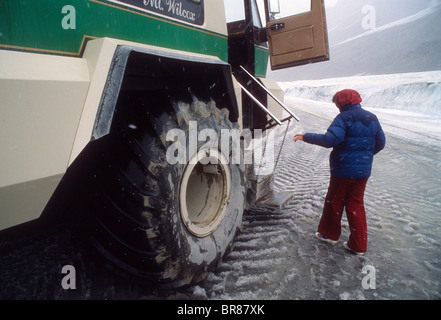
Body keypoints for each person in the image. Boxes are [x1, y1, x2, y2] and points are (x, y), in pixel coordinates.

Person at [294, 89, 386, 255]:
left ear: (342, 102)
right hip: (363, 171)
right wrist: (364, 156)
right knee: (356, 203)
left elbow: (330, 140)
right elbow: (380, 142)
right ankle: (358, 245)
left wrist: (305, 136)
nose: (337, 106)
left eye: (337, 103)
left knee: (334, 200)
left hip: (343, 170)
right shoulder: (371, 117)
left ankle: (329, 235)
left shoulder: (343, 118)